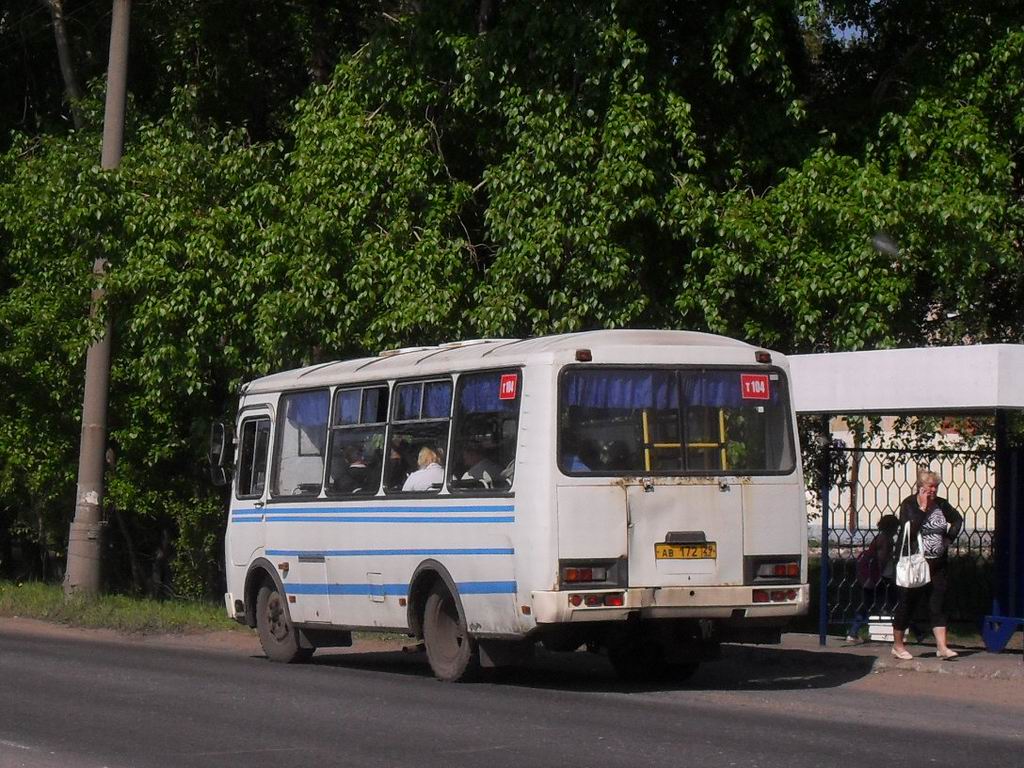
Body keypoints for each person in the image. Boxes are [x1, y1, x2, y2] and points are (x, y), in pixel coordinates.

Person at [891, 469, 964, 660]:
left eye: (936, 486)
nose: (933, 490)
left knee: (937, 603)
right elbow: (911, 528)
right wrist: (922, 509)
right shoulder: (909, 504)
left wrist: (948, 538)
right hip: (915, 562)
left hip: (937, 563)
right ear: (921, 487)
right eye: (930, 486)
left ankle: (942, 646)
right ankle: (898, 645)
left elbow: (957, 519)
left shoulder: (941, 504)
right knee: (907, 603)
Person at [846, 514, 900, 644]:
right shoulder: (886, 540)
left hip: (876, 577)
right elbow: (880, 561)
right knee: (898, 603)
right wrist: (873, 577)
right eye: (895, 527)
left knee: (869, 603)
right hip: (879, 577)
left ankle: (854, 632)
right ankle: (914, 632)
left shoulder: (880, 538)